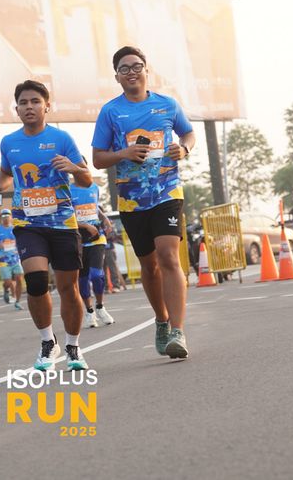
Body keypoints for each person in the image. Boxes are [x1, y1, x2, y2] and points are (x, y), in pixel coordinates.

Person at [92, 46, 196, 359]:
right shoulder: (110, 112)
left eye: (136, 66)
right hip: (132, 200)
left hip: (167, 191)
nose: (131, 72)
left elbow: (188, 134)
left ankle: (177, 331)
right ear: (117, 77)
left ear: (146, 70)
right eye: (124, 68)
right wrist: (123, 154)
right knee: (149, 266)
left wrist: (184, 149)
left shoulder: (167, 104)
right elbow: (98, 159)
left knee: (169, 256)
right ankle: (161, 320)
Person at [0, 80, 91, 371]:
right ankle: (48, 342)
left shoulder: (62, 139)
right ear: (16, 109)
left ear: (47, 106)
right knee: (36, 282)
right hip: (27, 222)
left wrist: (74, 168)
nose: (29, 107)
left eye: (35, 101)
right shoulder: (9, 142)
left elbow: (86, 180)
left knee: (68, 287)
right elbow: (6, 174)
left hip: (62, 223)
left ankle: (73, 346)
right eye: (23, 102)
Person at [70, 180, 114, 328]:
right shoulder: (68, 190)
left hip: (97, 238)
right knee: (82, 280)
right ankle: (89, 311)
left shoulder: (94, 187)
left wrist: (105, 219)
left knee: (96, 275)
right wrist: (85, 226)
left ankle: (100, 307)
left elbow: (95, 208)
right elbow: (66, 217)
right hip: (78, 241)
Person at [0, 209, 24, 310]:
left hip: (15, 258)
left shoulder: (15, 228)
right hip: (3, 259)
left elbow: (21, 240)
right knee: (8, 282)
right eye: (4, 217)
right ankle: (6, 289)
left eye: (7, 216)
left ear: (11, 217)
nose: (6, 218)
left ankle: (17, 301)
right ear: (1, 218)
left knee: (19, 279)